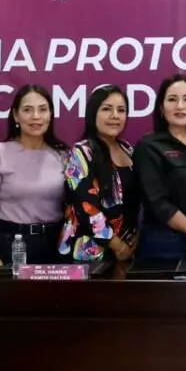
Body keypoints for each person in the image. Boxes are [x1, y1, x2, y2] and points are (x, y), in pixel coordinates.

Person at [0, 85, 68, 274]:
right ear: (16, 116)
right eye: (27, 110)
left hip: (57, 244)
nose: (36, 116)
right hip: (14, 243)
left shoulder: (63, 155)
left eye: (43, 109)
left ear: (50, 114)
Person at [135, 74, 186, 264]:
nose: (180, 106)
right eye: (172, 99)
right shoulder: (149, 146)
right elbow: (158, 202)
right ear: (161, 107)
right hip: (164, 247)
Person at [59, 85, 141, 268]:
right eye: (106, 109)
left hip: (127, 252)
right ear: (92, 114)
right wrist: (117, 246)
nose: (115, 116)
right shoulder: (81, 153)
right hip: (88, 255)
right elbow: (86, 208)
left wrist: (133, 239)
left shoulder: (128, 149)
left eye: (121, 110)